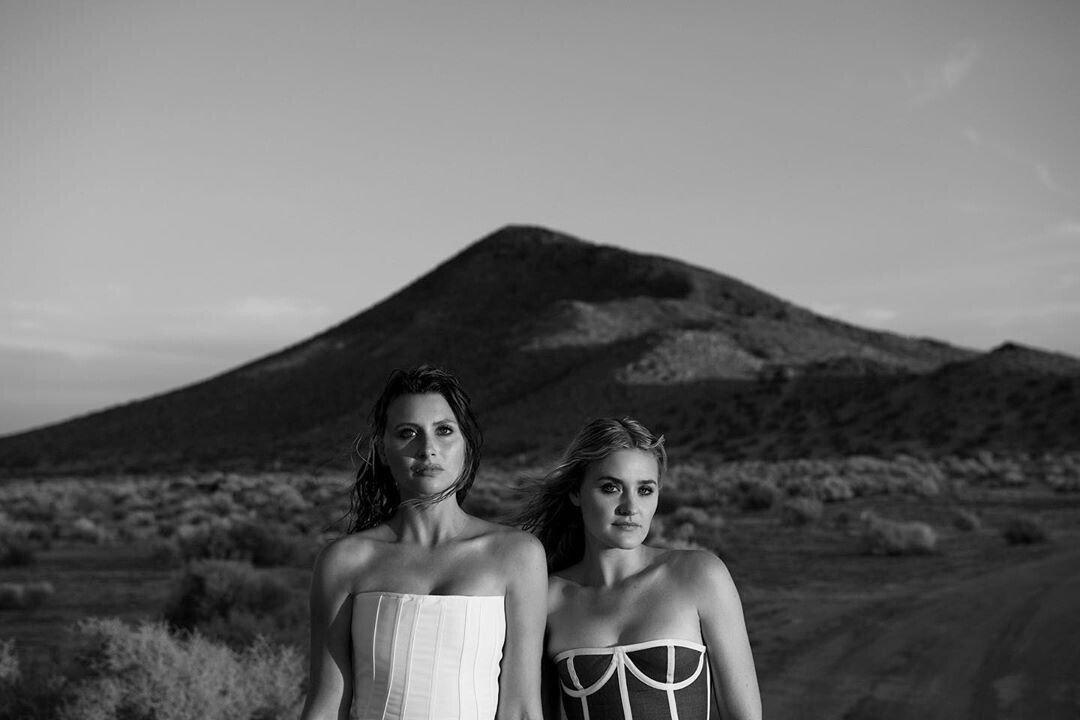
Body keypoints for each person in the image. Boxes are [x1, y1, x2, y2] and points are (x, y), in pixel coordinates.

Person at [300, 365, 547, 720]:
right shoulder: (346, 561)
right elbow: (325, 708)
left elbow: (521, 709)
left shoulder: (516, 555)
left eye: (444, 430)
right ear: (383, 450)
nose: (427, 449)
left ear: (466, 445)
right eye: (407, 433)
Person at [516, 418, 761, 720]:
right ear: (576, 492)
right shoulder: (548, 597)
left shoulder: (699, 575)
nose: (630, 507)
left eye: (645, 490)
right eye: (610, 488)